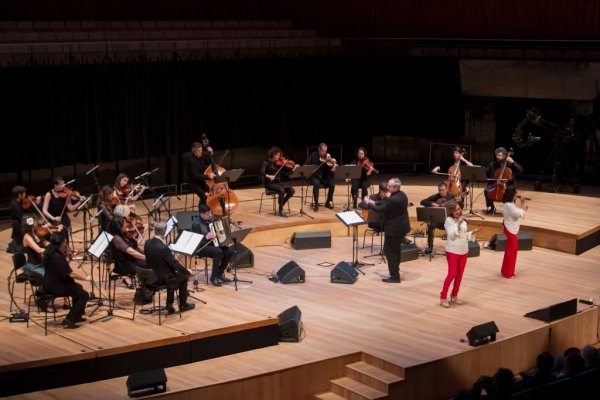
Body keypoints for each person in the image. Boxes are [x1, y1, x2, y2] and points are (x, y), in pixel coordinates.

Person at [363, 177, 411, 283]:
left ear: (395, 187)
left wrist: (369, 203)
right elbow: (385, 203)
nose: (387, 187)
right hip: (401, 227)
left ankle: (394, 276)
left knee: (390, 251)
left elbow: (380, 209)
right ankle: (395, 271)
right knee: (395, 250)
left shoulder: (394, 199)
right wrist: (373, 201)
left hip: (394, 229)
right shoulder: (401, 194)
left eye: (389, 186)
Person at [144, 220, 195, 314]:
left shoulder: (147, 243)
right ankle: (183, 305)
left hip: (150, 277)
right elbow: (176, 266)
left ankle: (170, 305)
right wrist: (188, 272)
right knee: (183, 277)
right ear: (164, 231)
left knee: (171, 273)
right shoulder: (163, 248)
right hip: (161, 280)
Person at [42, 233, 91, 329]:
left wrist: (70, 258)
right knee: (84, 295)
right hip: (55, 286)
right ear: (60, 244)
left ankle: (77, 316)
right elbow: (70, 274)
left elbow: (62, 268)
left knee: (79, 289)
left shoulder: (51, 252)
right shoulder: (57, 257)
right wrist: (86, 278)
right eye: (64, 242)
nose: (66, 244)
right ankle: (69, 319)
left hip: (51, 282)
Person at [439, 201, 480, 307]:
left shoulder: (463, 220)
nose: (458, 211)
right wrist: (458, 223)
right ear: (451, 211)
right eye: (455, 210)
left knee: (460, 275)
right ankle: (443, 297)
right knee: (452, 274)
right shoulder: (448, 221)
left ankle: (454, 295)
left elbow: (463, 235)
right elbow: (452, 236)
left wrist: (472, 232)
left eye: (458, 209)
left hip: (463, 250)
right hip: (452, 251)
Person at [191, 204, 234, 286]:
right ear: (201, 213)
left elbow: (218, 229)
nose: (210, 215)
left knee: (230, 252)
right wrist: (206, 237)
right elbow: (195, 242)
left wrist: (227, 229)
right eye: (207, 214)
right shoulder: (196, 224)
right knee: (218, 252)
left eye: (210, 213)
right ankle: (213, 277)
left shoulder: (211, 220)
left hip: (212, 244)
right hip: (201, 247)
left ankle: (219, 274)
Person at [42, 177, 87, 241]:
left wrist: (80, 202)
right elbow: (44, 210)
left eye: (64, 184)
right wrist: (53, 218)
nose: (64, 186)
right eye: (61, 184)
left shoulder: (66, 194)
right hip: (51, 219)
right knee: (55, 238)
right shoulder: (49, 194)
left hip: (63, 218)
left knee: (65, 237)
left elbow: (71, 208)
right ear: (55, 185)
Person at [108, 215, 146, 288]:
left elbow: (134, 245)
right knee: (149, 264)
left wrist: (142, 233)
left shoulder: (124, 234)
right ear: (119, 226)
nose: (126, 224)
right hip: (125, 265)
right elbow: (132, 252)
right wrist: (146, 257)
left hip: (131, 260)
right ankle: (147, 285)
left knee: (149, 261)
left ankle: (147, 283)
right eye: (124, 223)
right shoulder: (117, 238)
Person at [260, 146, 297, 217]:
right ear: (273, 154)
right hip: (269, 184)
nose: (279, 157)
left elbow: (287, 174)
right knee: (282, 190)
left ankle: (281, 203)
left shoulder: (278, 164)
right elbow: (261, 172)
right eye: (277, 155)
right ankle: (281, 209)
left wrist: (293, 169)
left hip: (278, 183)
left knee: (291, 190)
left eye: (279, 155)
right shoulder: (266, 163)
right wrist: (269, 176)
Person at [420, 182, 456, 253]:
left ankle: (453, 247)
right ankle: (430, 247)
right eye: (439, 190)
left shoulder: (452, 197)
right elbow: (422, 202)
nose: (441, 192)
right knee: (430, 226)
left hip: (448, 219)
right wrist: (432, 204)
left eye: (442, 190)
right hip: (438, 220)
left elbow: (458, 207)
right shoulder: (436, 196)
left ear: (446, 189)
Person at [485, 147, 523, 214]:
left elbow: (521, 171)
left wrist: (513, 162)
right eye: (496, 155)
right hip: (496, 184)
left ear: (505, 156)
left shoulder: (510, 164)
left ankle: (507, 208)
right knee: (487, 190)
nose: (497, 157)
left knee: (509, 190)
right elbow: (486, 173)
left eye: (499, 155)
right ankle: (491, 207)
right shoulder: (493, 164)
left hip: (509, 185)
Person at [500, 186, 527, 279]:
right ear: (512, 195)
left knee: (509, 249)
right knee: (513, 249)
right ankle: (509, 273)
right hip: (509, 229)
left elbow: (518, 212)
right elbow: (518, 214)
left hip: (510, 228)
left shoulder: (511, 204)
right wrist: (523, 205)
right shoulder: (508, 205)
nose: (517, 195)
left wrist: (522, 209)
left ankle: (505, 270)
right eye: (516, 194)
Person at [303, 143, 337, 212]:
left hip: (324, 178)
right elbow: (305, 164)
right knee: (316, 183)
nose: (324, 152)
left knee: (332, 185)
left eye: (325, 151)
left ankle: (328, 202)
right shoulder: (313, 155)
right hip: (315, 177)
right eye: (323, 151)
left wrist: (333, 167)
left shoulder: (327, 157)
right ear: (319, 149)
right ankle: (316, 203)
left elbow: (331, 172)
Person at [187, 142, 215, 213]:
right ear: (193, 151)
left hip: (202, 181)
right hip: (194, 183)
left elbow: (211, 164)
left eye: (201, 150)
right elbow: (194, 175)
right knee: (203, 196)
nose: (200, 152)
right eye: (198, 151)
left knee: (212, 193)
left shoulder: (202, 156)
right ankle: (201, 213)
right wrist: (207, 176)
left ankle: (211, 209)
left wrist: (211, 154)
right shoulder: (191, 161)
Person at [8, 185, 29, 252]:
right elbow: (21, 216)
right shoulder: (13, 204)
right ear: (19, 195)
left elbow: (24, 210)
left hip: (20, 222)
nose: (25, 195)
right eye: (24, 193)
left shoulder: (19, 202)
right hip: (18, 225)